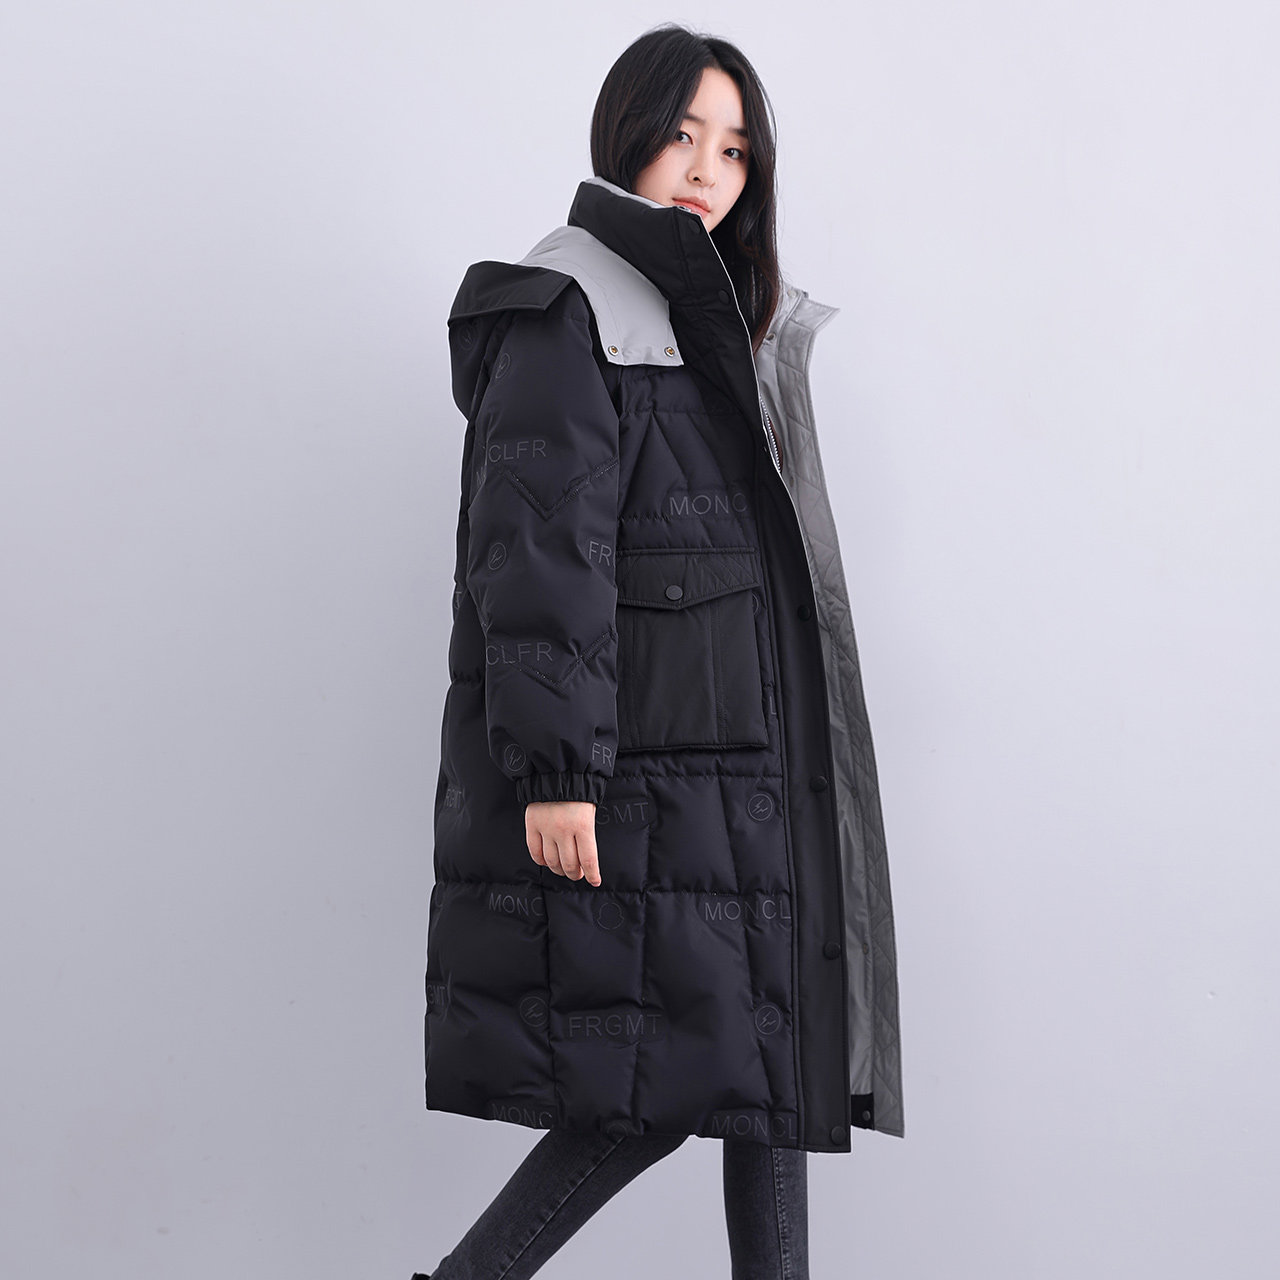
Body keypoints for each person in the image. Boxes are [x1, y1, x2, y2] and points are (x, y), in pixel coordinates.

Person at [415, 22, 904, 1280]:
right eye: (683, 134)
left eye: (734, 148)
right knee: (657, 1087)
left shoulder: (713, 316)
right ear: (625, 131)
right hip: (639, 780)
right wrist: (555, 771)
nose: (706, 168)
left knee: (763, 1065)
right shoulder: (569, 304)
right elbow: (537, 551)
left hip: (737, 768)